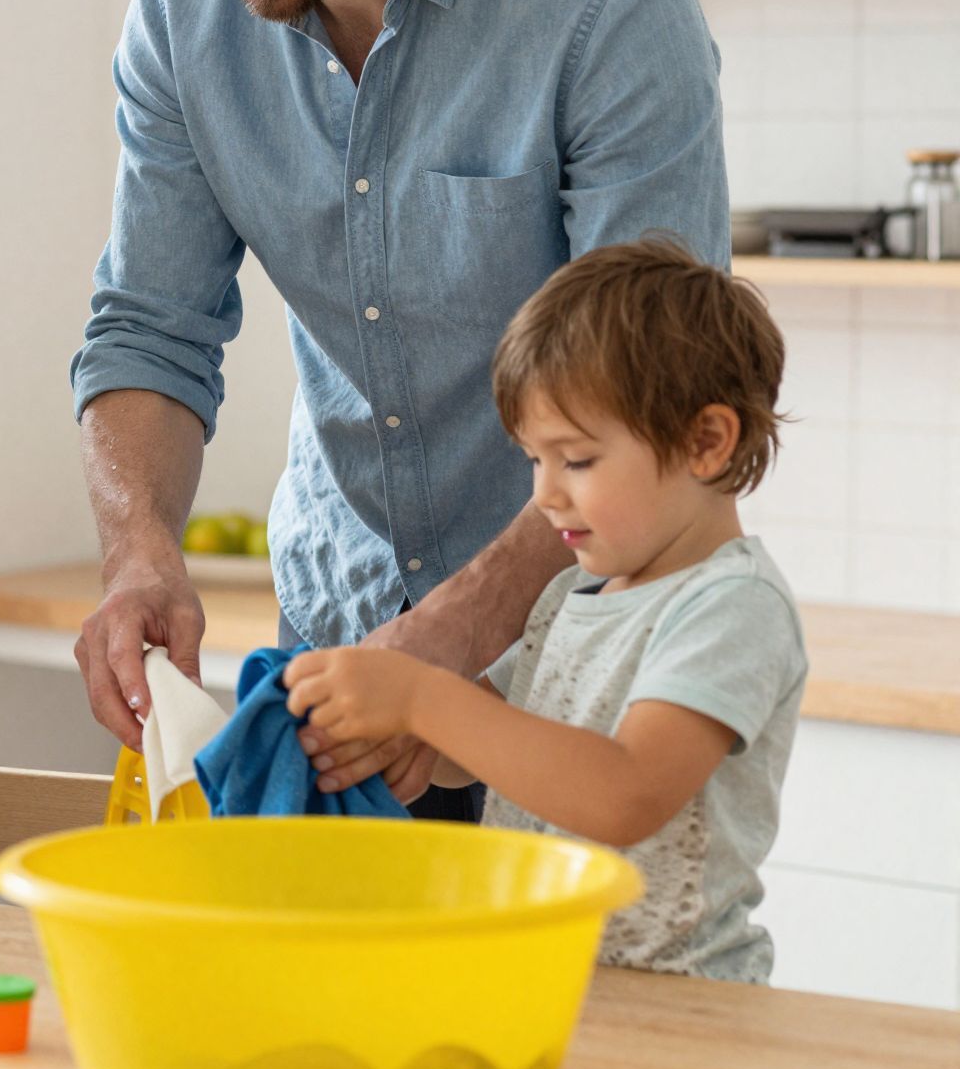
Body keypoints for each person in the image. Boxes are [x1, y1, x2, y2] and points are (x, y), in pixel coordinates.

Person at [68, 0, 730, 819]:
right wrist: (138, 552)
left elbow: (653, 386)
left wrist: (453, 644)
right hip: (339, 652)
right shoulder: (179, 12)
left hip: (579, 674)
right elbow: (150, 327)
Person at [286, 239, 804, 982]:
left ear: (706, 441)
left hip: (680, 998)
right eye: (535, 459)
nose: (544, 495)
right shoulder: (572, 596)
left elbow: (626, 792)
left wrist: (423, 699)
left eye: (577, 460)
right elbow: (504, 743)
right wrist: (404, 736)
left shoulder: (732, 606)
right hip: (552, 978)